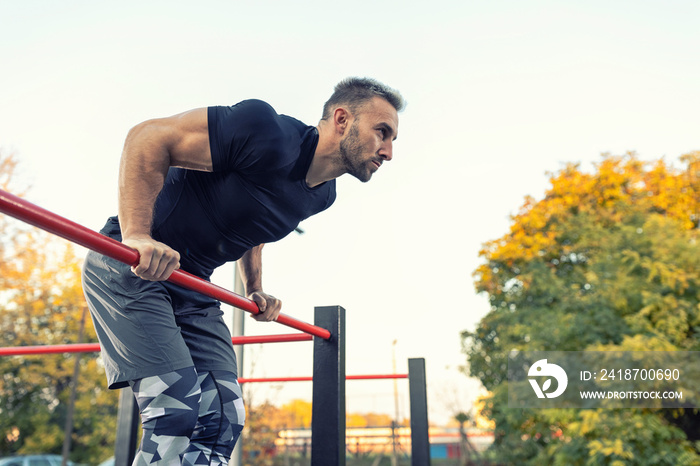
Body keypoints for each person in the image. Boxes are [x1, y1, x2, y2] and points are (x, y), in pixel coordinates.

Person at [82, 77, 404, 465]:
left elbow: (258, 221)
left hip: (193, 285)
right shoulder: (263, 130)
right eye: (381, 133)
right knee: (174, 411)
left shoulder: (323, 194)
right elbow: (146, 137)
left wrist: (256, 285)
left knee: (223, 419)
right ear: (341, 119)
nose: (387, 151)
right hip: (134, 267)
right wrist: (137, 236)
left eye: (392, 140)